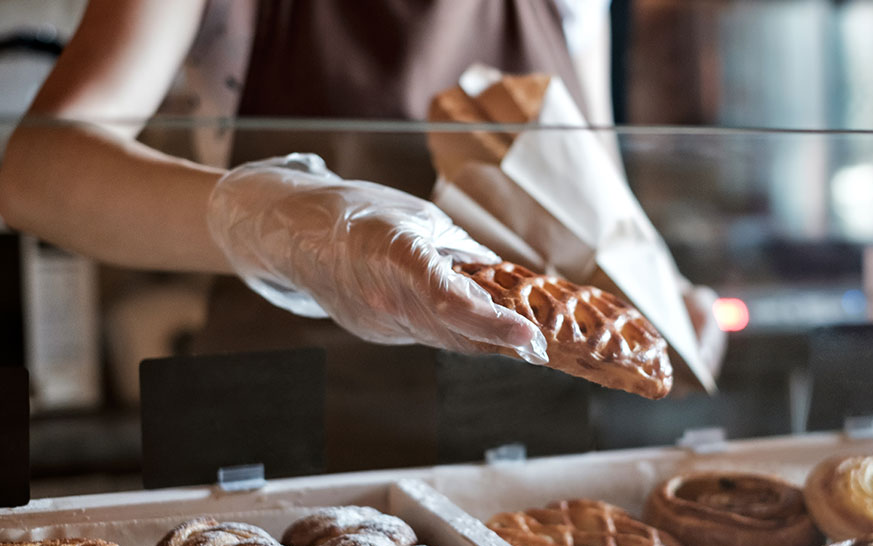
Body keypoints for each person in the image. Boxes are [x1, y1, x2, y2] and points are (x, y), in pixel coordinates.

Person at [0, 0, 723, 471]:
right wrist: (293, 226)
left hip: (512, 465)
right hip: (275, 451)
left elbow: (596, 195)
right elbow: (36, 169)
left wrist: (663, 291)